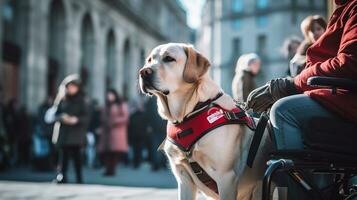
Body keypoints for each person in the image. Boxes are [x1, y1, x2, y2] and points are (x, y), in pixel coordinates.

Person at [246, 0, 357, 199]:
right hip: (335, 93)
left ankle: (307, 193)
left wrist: (291, 85)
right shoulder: (345, 8)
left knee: (283, 111)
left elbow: (348, 64)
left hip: (347, 98)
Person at [51, 75, 90, 184]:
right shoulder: (61, 99)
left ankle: (79, 178)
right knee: (63, 157)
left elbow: (86, 117)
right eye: (69, 87)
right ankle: (62, 176)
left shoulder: (82, 100)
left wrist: (76, 119)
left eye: (73, 86)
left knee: (77, 157)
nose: (71, 89)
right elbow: (55, 114)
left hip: (76, 134)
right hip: (64, 132)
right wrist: (62, 117)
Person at [98, 89, 129, 176]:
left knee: (115, 152)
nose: (109, 97)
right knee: (106, 152)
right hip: (106, 132)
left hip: (117, 132)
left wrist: (114, 121)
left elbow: (125, 117)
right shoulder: (105, 106)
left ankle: (112, 169)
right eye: (108, 95)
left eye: (111, 95)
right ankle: (108, 169)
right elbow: (102, 117)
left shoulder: (121, 104)